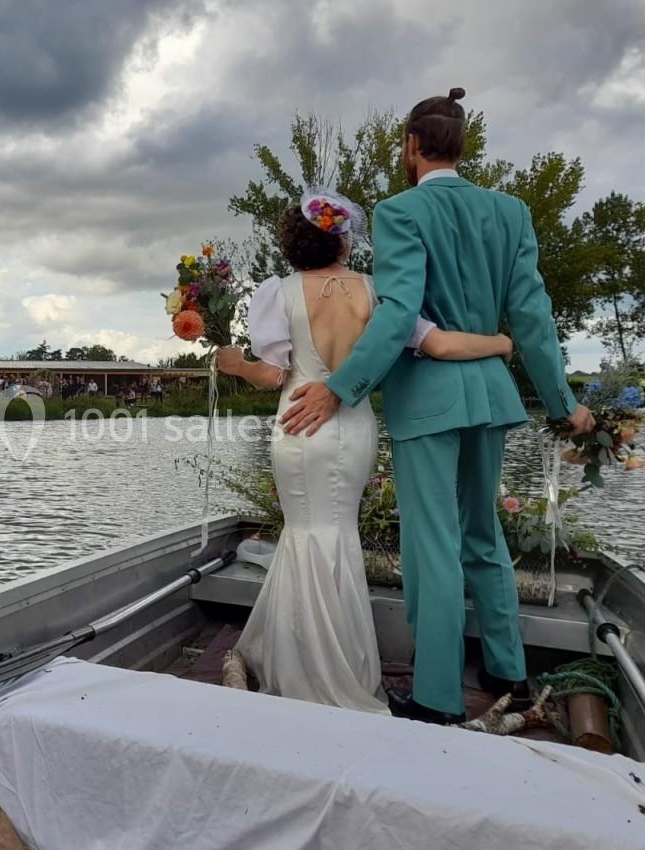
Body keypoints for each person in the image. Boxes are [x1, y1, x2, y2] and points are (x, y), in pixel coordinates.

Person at [277, 88, 593, 724]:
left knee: (431, 544)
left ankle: (437, 697)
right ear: (461, 146)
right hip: (491, 397)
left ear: (413, 147)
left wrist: (341, 387)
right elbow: (533, 316)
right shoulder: (512, 212)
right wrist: (565, 403)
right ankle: (509, 669)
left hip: (428, 399)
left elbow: (400, 313)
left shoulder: (402, 211)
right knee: (484, 534)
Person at [218, 183, 515, 715]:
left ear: (296, 243)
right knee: (339, 534)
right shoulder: (380, 292)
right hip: (353, 426)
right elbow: (440, 345)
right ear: (344, 241)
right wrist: (499, 342)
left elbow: (271, 376)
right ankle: (346, 666)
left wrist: (235, 364)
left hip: (297, 423)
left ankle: (302, 661)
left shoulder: (277, 291)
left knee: (304, 531)